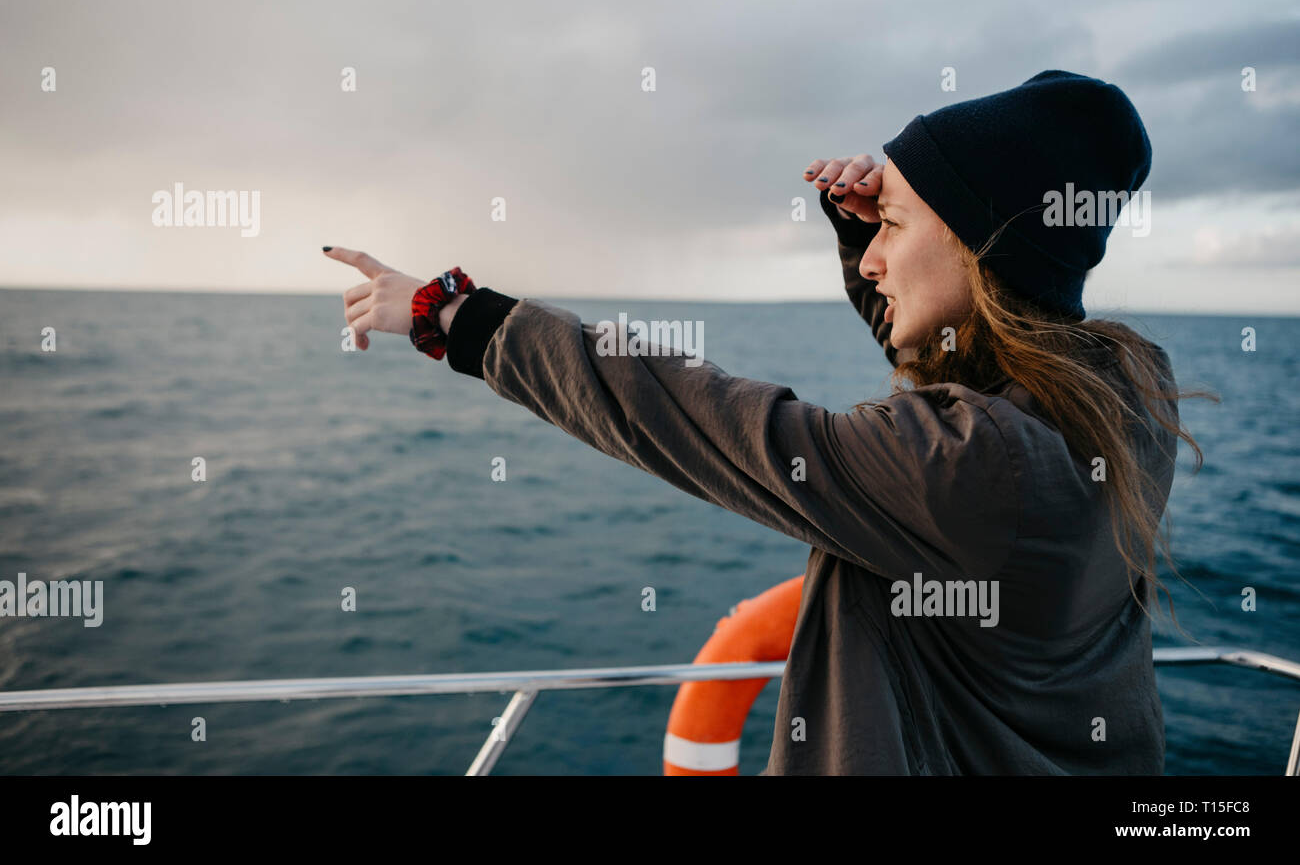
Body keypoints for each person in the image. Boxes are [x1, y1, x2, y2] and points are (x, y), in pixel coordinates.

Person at [323, 69, 1212, 774]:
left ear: (982, 246)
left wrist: (460, 315)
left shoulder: (977, 469)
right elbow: (957, 383)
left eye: (892, 227)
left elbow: (692, 418)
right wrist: (871, 237)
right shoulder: (1123, 393)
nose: (869, 259)